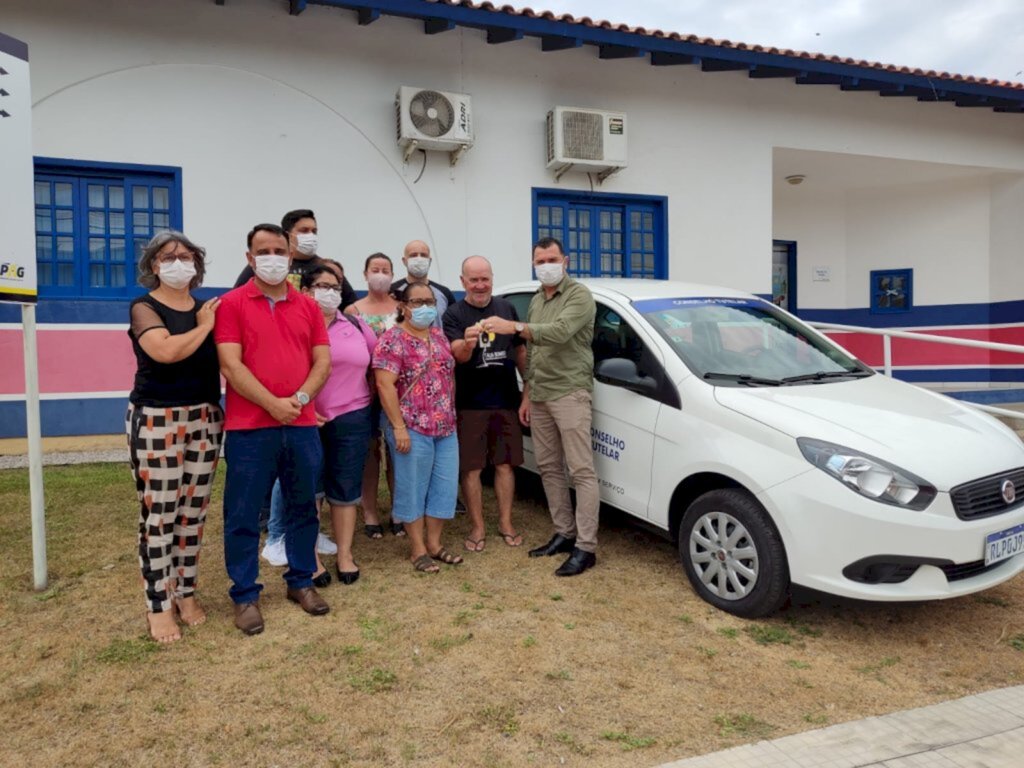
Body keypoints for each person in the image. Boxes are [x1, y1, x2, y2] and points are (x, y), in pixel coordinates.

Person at [215, 223, 332, 635]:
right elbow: (231, 364)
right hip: (250, 428)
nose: (272, 257)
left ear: (290, 254)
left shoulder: (308, 307)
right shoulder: (231, 304)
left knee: (303, 507)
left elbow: (322, 362)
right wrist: (272, 405)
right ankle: (245, 594)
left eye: (279, 250)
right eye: (262, 250)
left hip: (300, 426)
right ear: (249, 258)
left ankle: (300, 581)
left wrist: (297, 402)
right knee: (243, 513)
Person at [126, 231, 223, 643]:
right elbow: (164, 351)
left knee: (193, 513)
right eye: (169, 257)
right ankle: (158, 605)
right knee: (160, 514)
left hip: (204, 417)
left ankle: (185, 592)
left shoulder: (206, 309)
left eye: (186, 256)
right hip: (157, 420)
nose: (179, 262)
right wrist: (205, 328)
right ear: (153, 266)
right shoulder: (144, 308)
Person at [484, 236, 598, 577]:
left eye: (552, 259)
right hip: (542, 393)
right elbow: (532, 352)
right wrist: (527, 392)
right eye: (540, 261)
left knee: (581, 470)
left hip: (570, 391)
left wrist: (515, 327)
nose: (546, 266)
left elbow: (560, 332)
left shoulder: (579, 295)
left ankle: (586, 546)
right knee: (548, 466)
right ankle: (564, 532)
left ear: (566, 261)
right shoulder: (536, 300)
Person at [372, 282, 462, 573]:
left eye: (429, 301)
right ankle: (417, 549)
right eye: (417, 302)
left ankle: (434, 544)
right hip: (411, 426)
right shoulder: (391, 340)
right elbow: (385, 385)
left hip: (445, 427)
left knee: (444, 487)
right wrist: (398, 427)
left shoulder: (438, 335)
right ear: (403, 306)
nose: (424, 307)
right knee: (413, 488)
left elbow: (449, 376)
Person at [300, 264, 378, 584]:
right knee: (311, 489)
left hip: (353, 417)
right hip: (306, 419)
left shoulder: (357, 326)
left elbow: (376, 369)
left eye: (334, 286)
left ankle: (344, 553)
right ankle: (311, 557)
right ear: (305, 291)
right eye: (320, 285)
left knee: (346, 488)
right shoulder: (295, 326)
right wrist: (302, 406)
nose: (328, 292)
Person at [443, 256, 527, 552]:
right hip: (469, 403)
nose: (480, 285)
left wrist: (527, 388)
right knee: (472, 468)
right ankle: (477, 526)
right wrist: (467, 342)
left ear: (492, 278)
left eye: (485, 279)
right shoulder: (453, 314)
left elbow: (520, 352)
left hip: (505, 399)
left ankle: (505, 522)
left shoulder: (506, 308)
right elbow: (457, 356)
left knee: (505, 465)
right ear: (463, 281)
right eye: (473, 279)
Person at [346, 253, 400, 537]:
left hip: (398, 391)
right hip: (363, 390)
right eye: (375, 269)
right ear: (365, 274)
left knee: (397, 450)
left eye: (386, 269)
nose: (380, 274)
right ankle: (369, 512)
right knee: (370, 452)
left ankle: (398, 509)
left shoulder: (402, 308)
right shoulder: (353, 311)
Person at [233, 209, 356, 309]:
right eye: (304, 231)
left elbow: (351, 304)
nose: (311, 235)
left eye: (314, 231)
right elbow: (237, 297)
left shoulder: (326, 267)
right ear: (288, 235)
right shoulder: (264, 263)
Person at [389, 240, 455, 329]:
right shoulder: (392, 291)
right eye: (413, 255)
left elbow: (452, 326)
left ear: (430, 260)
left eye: (423, 255)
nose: (419, 259)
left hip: (437, 342)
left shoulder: (444, 293)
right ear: (404, 261)